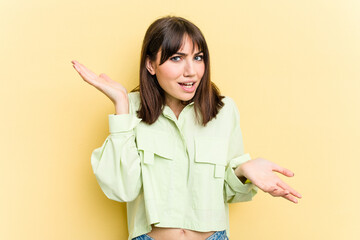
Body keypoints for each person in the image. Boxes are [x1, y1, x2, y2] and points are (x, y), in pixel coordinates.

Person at [71, 15, 302, 240]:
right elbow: (123, 189)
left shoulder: (224, 110)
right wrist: (121, 105)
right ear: (151, 65)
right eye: (176, 58)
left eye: (198, 57)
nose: (191, 71)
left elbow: (230, 194)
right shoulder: (130, 109)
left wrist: (243, 171)